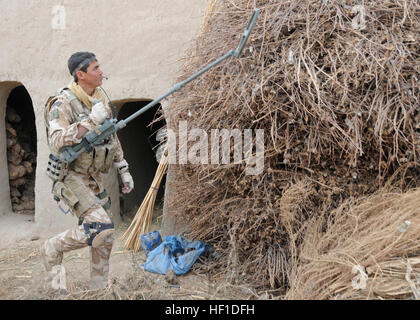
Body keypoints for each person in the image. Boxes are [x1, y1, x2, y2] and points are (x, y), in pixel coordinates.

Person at [40, 52, 134, 290]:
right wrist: (88, 123)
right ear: (80, 75)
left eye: (100, 67)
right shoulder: (62, 103)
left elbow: (111, 135)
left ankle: (98, 289)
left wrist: (123, 168)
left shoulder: (100, 98)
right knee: (102, 228)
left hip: (94, 178)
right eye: (95, 68)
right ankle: (53, 247)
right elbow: (57, 140)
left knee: (105, 238)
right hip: (70, 177)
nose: (101, 71)